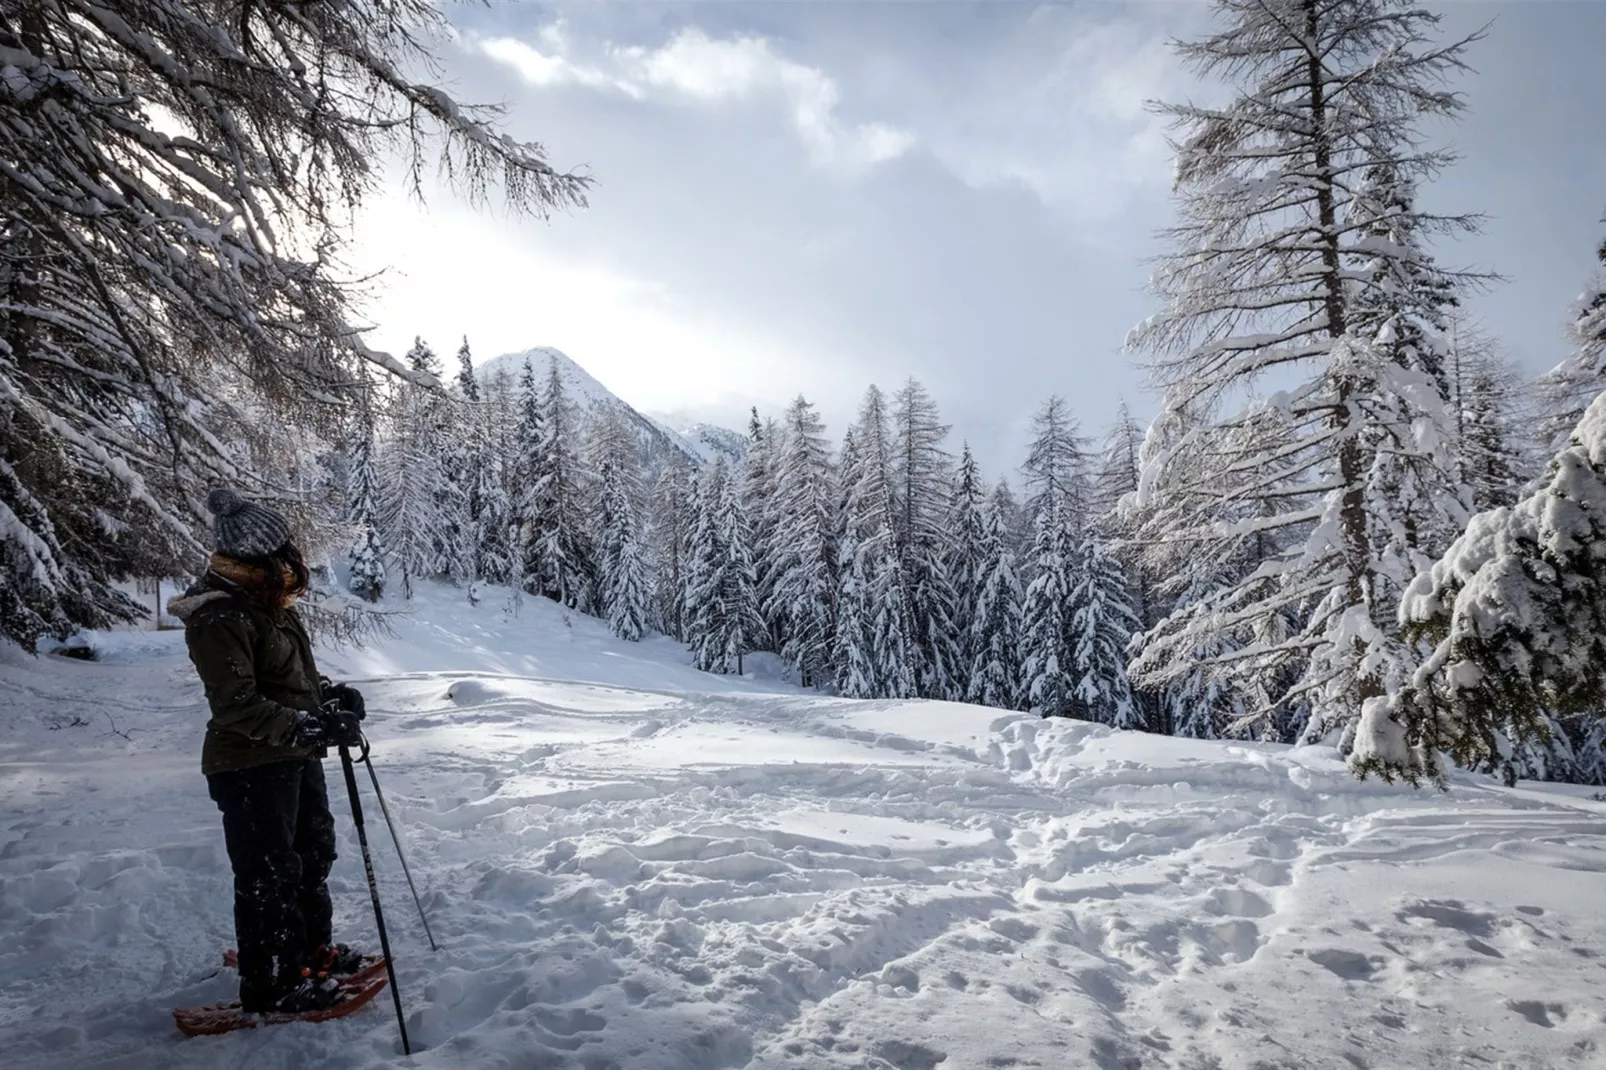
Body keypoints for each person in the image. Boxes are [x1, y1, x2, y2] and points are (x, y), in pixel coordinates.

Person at [169, 488, 370, 1014]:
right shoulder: (219, 618)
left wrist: (329, 697)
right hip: (249, 764)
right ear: (260, 556)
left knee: (312, 854)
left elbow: (288, 680)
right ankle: (273, 983)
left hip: (291, 755)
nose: (294, 556)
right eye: (285, 547)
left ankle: (309, 951)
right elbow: (236, 705)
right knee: (269, 874)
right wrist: (309, 728)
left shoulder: (268, 605)